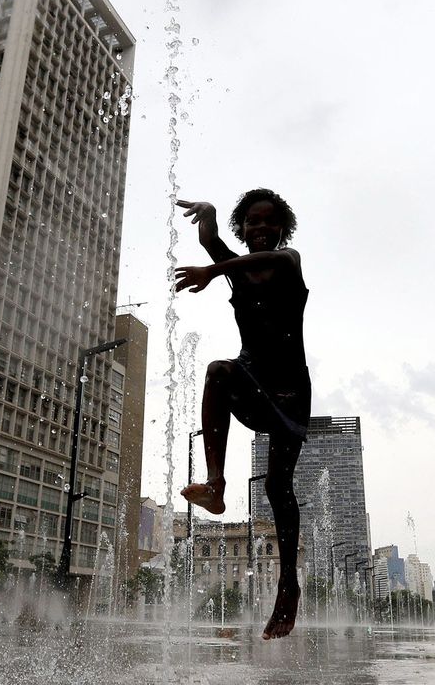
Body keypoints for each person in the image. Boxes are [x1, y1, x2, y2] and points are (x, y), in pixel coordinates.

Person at [174, 188, 310, 641]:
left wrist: (215, 269)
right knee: (217, 372)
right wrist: (209, 215)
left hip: (289, 390)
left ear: (281, 228)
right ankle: (216, 484)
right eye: (252, 222)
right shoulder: (238, 269)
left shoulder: (288, 260)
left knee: (277, 485)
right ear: (243, 227)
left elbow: (232, 262)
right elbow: (212, 242)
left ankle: (288, 586)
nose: (261, 229)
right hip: (251, 379)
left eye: (269, 222)